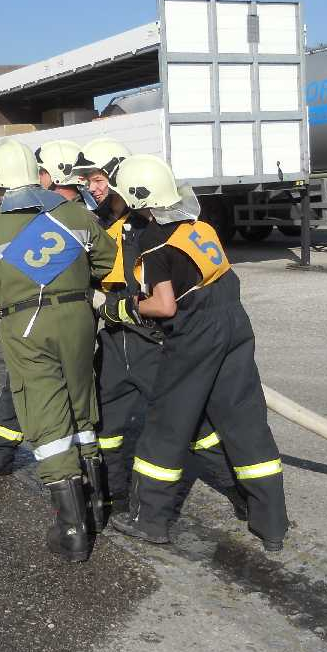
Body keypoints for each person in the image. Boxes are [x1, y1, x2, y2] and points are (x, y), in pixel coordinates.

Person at [107, 154, 288, 552]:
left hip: (196, 333)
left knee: (167, 423)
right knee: (245, 421)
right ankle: (271, 523)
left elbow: (164, 305)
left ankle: (149, 519)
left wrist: (126, 308)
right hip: (234, 322)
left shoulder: (156, 242)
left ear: (138, 197)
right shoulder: (198, 225)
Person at [74, 139, 245, 527]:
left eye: (98, 179)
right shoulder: (96, 224)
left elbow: (162, 290)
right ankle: (113, 497)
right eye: (88, 181)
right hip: (114, 342)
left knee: (192, 425)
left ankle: (239, 492)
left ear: (118, 178)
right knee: (106, 426)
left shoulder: (149, 225)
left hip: (151, 340)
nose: (93, 188)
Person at [0, 139, 117, 562]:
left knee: (48, 418)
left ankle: (72, 531)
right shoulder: (74, 213)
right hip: (79, 321)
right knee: (82, 409)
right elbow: (106, 261)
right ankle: (97, 506)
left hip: (27, 326)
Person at [0, 139, 89, 481]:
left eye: (43, 171)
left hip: (45, 324)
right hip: (63, 323)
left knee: (58, 408)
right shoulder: (68, 211)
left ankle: (73, 485)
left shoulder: (64, 212)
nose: (39, 178)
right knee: (22, 392)